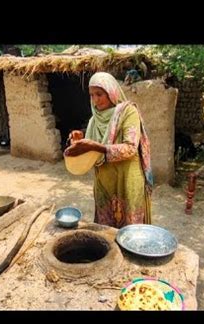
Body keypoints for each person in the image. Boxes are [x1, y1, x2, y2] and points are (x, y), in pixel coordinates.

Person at [64, 72, 153, 228]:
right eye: (91, 95)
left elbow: (130, 148)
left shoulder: (128, 112)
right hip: (104, 180)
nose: (95, 100)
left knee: (130, 230)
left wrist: (94, 146)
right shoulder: (94, 119)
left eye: (99, 94)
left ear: (111, 92)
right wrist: (80, 140)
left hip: (127, 178)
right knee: (106, 231)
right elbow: (94, 147)